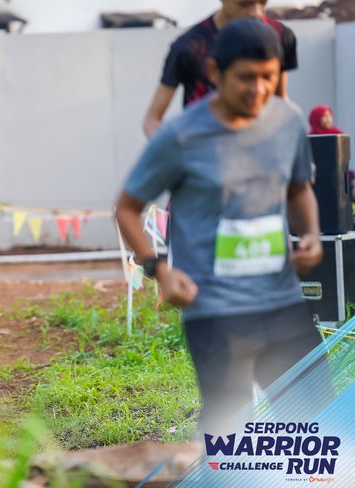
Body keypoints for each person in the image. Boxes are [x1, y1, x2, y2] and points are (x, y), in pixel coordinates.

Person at [116, 19, 323, 435]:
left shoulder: (287, 121)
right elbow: (127, 208)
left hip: (283, 302)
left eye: (268, 77)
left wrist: (312, 235)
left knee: (316, 424)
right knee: (230, 434)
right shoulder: (180, 136)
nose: (258, 89)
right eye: (246, 77)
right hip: (215, 312)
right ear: (215, 72)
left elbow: (299, 188)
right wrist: (160, 270)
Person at [143, 0, 298, 137]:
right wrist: (176, 152)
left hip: (260, 147)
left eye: (263, 2)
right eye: (244, 4)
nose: (256, 12)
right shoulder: (189, 46)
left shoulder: (280, 36)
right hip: (203, 146)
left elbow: (280, 101)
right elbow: (152, 119)